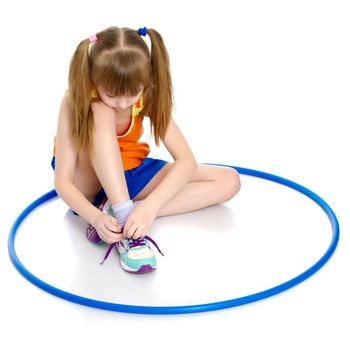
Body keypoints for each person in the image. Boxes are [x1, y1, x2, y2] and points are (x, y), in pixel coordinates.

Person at [51, 26, 241, 274]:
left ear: (145, 81)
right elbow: (63, 182)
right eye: (112, 94)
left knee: (229, 180)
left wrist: (149, 209)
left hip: (130, 175)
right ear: (94, 80)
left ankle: (128, 213)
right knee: (101, 110)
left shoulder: (147, 97)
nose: (122, 103)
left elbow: (186, 161)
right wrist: (94, 218)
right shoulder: (76, 99)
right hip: (87, 183)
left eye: (132, 93)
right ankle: (121, 216)